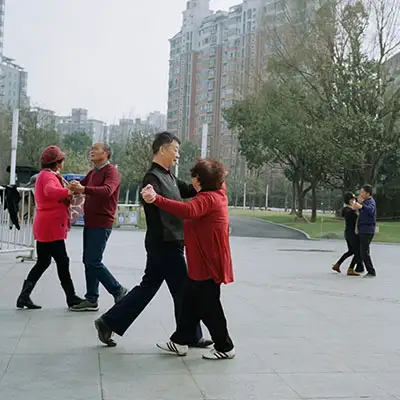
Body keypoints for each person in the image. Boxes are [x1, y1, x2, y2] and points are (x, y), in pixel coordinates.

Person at [94, 132, 211, 348]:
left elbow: (189, 190)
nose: (178, 155)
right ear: (163, 149)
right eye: (175, 149)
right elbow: (151, 200)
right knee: (184, 290)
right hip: (164, 243)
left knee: (147, 288)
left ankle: (108, 322)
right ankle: (191, 336)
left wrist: (209, 177)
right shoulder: (152, 178)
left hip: (167, 242)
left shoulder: (169, 177)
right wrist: (150, 197)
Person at [141, 158, 235, 360]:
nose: (192, 180)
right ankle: (180, 341)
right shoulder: (216, 192)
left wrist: (156, 199)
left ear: (200, 180)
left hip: (207, 262)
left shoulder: (208, 198)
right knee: (189, 301)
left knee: (209, 306)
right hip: (202, 261)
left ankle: (225, 347)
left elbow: (187, 211)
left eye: (194, 176)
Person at [16, 145, 83, 310]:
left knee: (43, 261)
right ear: (58, 163)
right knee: (62, 261)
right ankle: (71, 297)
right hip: (51, 227)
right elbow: (51, 192)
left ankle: (24, 296)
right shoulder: (48, 177)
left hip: (47, 225)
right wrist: (67, 191)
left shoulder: (48, 175)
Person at [69, 142, 127, 311]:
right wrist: (74, 185)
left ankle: (117, 289)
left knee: (93, 261)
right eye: (91, 148)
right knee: (89, 261)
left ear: (106, 153)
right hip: (91, 221)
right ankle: (91, 298)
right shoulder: (93, 172)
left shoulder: (111, 172)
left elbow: (107, 190)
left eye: (96, 149)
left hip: (102, 222)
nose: (91, 151)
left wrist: (83, 188)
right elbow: (83, 185)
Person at [332, 191, 363, 276]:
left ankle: (337, 264)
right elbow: (350, 213)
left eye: (353, 198)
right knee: (358, 252)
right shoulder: (347, 209)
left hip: (350, 233)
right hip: (351, 233)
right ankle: (350, 269)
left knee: (351, 251)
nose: (353, 200)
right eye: (351, 199)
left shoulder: (351, 208)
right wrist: (356, 209)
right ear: (348, 200)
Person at [352, 184, 377, 277]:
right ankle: (360, 267)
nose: (361, 193)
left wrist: (361, 206)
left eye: (362, 192)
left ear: (368, 193)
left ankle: (371, 271)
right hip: (362, 229)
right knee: (361, 250)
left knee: (364, 252)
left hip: (367, 230)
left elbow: (370, 210)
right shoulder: (365, 202)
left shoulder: (371, 202)